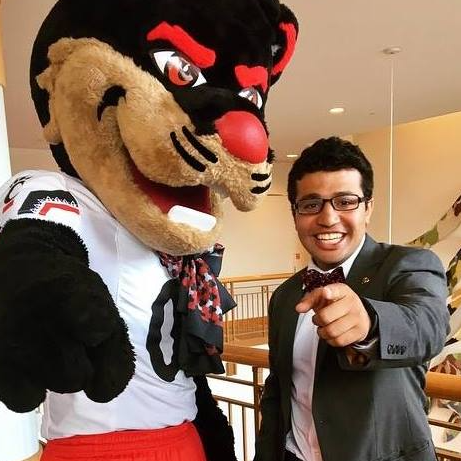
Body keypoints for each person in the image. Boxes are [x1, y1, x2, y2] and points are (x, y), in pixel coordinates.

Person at [254, 136, 450, 461]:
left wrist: (370, 324)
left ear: (368, 208)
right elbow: (278, 389)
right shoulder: (285, 295)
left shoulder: (409, 264)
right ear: (295, 214)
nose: (328, 218)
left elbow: (428, 327)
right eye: (311, 204)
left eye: (345, 201)